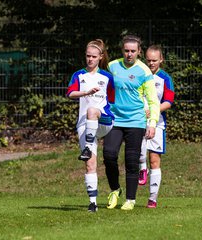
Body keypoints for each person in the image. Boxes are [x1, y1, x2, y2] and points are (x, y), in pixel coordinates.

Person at [103, 35, 160, 211]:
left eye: (133, 51)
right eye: (126, 50)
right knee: (109, 154)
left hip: (136, 121)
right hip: (115, 119)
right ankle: (115, 189)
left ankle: (130, 199)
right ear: (122, 51)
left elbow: (153, 101)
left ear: (139, 52)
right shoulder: (112, 66)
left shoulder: (144, 71)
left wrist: (152, 123)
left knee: (131, 160)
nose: (129, 54)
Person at [66, 39, 115, 212]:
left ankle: (87, 147)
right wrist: (86, 92)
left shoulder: (107, 77)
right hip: (85, 125)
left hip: (104, 120)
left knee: (93, 110)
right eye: (88, 56)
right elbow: (71, 93)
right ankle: (93, 203)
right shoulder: (79, 75)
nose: (90, 59)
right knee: (90, 164)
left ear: (100, 57)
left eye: (94, 56)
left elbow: (113, 99)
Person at [138, 45, 175, 209]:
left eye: (154, 60)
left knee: (154, 160)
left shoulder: (165, 78)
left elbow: (168, 102)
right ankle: (141, 168)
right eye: (148, 60)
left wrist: (153, 111)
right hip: (137, 121)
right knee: (137, 154)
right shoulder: (139, 74)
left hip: (157, 123)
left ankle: (152, 198)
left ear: (161, 60)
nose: (151, 63)